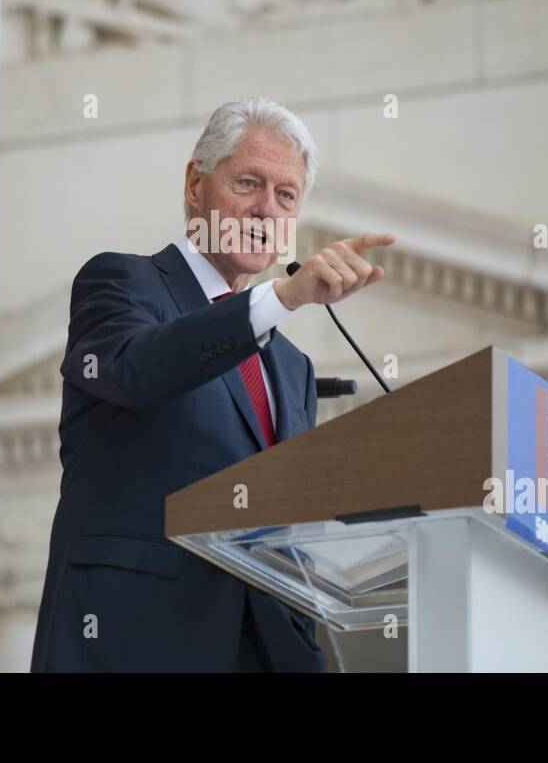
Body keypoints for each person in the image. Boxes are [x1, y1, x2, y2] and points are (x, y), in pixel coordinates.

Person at [30, 97, 394, 671]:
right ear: (195, 185)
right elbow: (137, 369)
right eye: (248, 183)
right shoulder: (122, 283)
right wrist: (281, 297)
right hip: (135, 640)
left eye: (286, 195)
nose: (266, 210)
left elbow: (286, 527)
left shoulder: (293, 369)